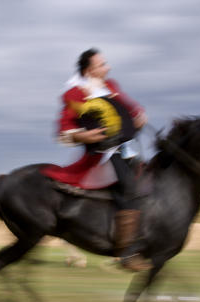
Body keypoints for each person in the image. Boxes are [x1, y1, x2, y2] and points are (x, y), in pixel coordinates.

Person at [42, 48, 151, 272]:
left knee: (147, 181)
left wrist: (139, 116)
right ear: (89, 69)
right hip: (101, 155)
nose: (107, 68)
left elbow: (129, 108)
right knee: (128, 186)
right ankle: (126, 252)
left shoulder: (111, 86)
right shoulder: (73, 94)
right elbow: (63, 129)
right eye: (102, 65)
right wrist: (83, 135)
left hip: (126, 149)